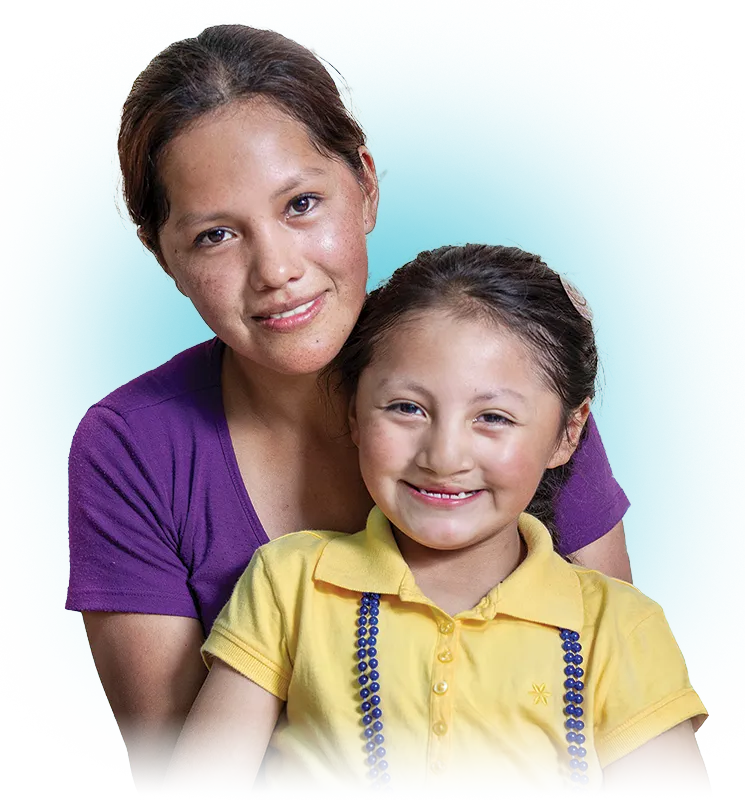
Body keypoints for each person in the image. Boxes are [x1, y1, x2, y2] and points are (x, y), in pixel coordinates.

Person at [65, 22, 631, 799]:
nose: (277, 271)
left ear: (365, 183)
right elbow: (176, 775)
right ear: (164, 255)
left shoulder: (509, 380)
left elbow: (619, 700)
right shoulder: (133, 448)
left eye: (301, 204)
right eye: (216, 235)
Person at [161, 245, 709, 798]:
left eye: (492, 417)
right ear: (353, 413)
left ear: (569, 433)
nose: (444, 456)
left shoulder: (619, 628)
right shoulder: (289, 585)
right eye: (407, 408)